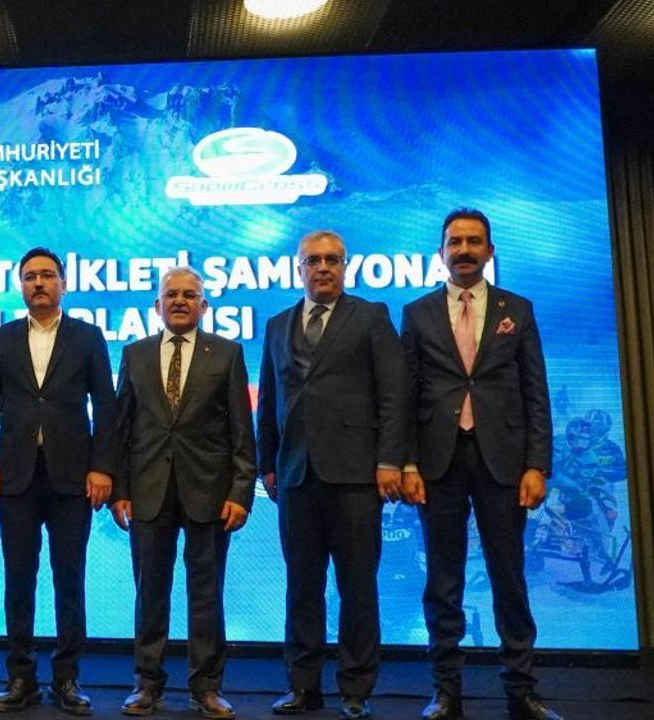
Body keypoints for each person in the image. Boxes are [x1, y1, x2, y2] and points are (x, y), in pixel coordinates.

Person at [401, 208, 561, 720]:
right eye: (455, 242)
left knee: (508, 578)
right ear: (441, 252)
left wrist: (537, 464)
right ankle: (446, 692)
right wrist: (407, 464)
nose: (464, 250)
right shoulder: (417, 313)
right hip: (438, 463)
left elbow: (536, 392)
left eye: (474, 241)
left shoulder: (520, 309)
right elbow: (405, 396)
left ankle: (521, 690)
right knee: (443, 582)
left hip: (505, 462)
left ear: (490, 251)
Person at [256, 230, 408, 720]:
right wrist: (267, 464)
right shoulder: (277, 325)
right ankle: (303, 687)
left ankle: (356, 689)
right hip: (295, 477)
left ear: (345, 266)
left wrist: (390, 461)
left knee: (357, 587)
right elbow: (269, 401)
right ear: (298, 268)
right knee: (302, 588)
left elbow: (394, 394)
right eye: (313, 260)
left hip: (357, 477)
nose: (323, 267)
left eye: (332, 260)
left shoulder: (371, 316)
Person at [0, 247, 117, 715]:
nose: (39, 282)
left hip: (73, 476)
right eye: (31, 276)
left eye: (48, 275)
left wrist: (103, 467)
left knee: (69, 578)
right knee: (18, 580)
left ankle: (67, 677)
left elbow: (107, 407)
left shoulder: (87, 336)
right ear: (20, 285)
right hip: (15, 476)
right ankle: (21, 677)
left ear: (63, 284)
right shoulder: (1, 338)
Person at [111, 267, 256, 719]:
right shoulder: (134, 354)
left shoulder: (227, 353)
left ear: (203, 305)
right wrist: (119, 489)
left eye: (189, 295)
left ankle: (206, 687)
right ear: (157, 305)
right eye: (171, 294)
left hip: (210, 492)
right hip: (148, 490)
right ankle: (147, 683)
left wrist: (241, 491)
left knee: (206, 593)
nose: (179, 301)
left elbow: (241, 429)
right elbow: (121, 429)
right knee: (149, 592)